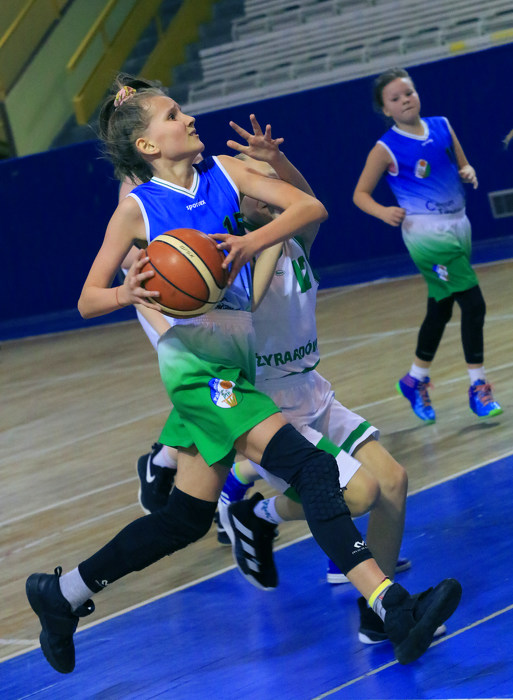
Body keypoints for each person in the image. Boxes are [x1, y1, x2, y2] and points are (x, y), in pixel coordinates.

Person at [25, 73, 461, 674]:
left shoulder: (225, 174)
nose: (188, 118)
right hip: (198, 372)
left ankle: (63, 593)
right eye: (173, 115)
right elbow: (86, 299)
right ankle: (391, 605)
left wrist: (254, 241)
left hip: (236, 364)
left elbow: (310, 206)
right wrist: (126, 293)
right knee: (312, 469)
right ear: (148, 145)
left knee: (183, 520)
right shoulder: (137, 208)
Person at [353, 67, 502, 423]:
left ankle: (414, 379)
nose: (405, 100)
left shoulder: (442, 125)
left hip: (458, 224)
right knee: (474, 304)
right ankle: (478, 386)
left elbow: (463, 164)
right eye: (395, 98)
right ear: (386, 109)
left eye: (409, 92)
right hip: (427, 234)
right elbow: (360, 194)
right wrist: (382, 211)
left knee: (442, 307)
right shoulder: (385, 148)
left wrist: (469, 172)